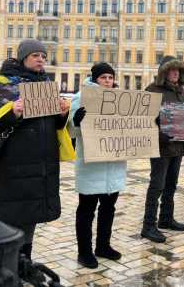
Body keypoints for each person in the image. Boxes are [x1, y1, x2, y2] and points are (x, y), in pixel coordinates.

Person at [0, 39, 71, 265]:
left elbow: (52, 127)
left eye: (43, 56)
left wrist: (62, 114)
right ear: (23, 57)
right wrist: (12, 113)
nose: (41, 59)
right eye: (36, 55)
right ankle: (6, 267)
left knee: (31, 218)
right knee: (11, 219)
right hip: (12, 166)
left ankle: (24, 263)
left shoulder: (45, 84)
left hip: (40, 166)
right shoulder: (4, 85)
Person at [69, 63, 126, 269]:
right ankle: (84, 252)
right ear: (94, 79)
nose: (108, 81)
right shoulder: (81, 98)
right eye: (103, 78)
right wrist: (76, 121)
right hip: (92, 166)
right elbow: (71, 131)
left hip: (113, 165)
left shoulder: (121, 100)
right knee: (86, 210)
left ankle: (103, 246)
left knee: (108, 208)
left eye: (110, 78)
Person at [141, 55, 184, 243]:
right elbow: (144, 120)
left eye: (178, 70)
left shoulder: (181, 91)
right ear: (163, 72)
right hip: (160, 147)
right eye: (172, 70)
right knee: (157, 186)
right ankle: (148, 225)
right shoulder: (152, 91)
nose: (175, 73)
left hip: (178, 146)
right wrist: (159, 134)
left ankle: (166, 218)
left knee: (171, 185)